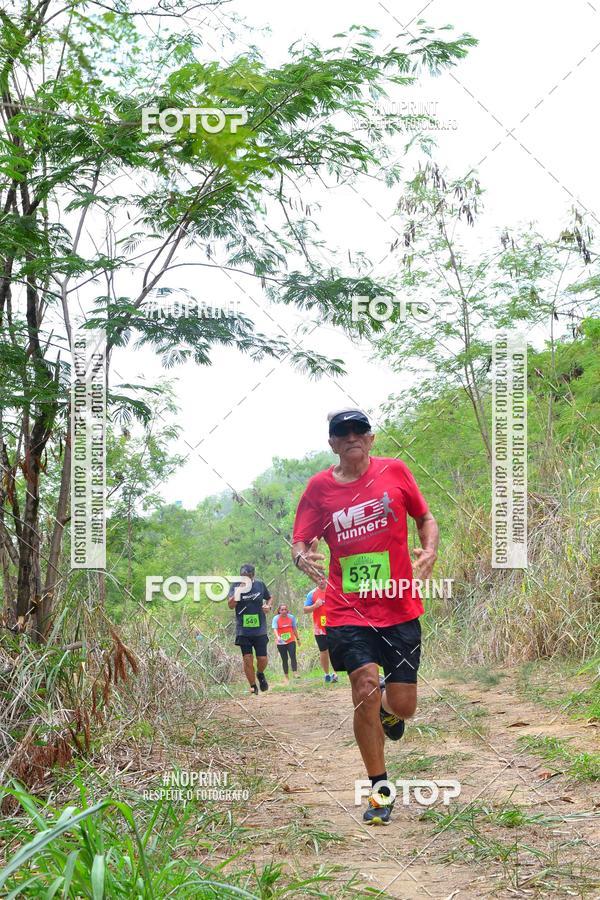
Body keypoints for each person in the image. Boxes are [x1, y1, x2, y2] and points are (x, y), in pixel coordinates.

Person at [291, 408, 438, 825]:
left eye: (360, 430)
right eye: (343, 432)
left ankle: (391, 713)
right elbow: (300, 539)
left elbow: (425, 518)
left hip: (398, 604)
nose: (352, 436)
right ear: (333, 443)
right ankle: (380, 790)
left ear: (371, 439)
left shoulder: (396, 472)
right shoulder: (319, 488)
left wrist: (429, 549)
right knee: (365, 688)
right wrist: (303, 557)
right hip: (346, 608)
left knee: (404, 706)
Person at [227, 563, 272, 695]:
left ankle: (260, 673)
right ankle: (253, 686)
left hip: (260, 629)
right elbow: (230, 605)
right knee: (247, 658)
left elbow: (269, 598)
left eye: (247, 576)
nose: (244, 579)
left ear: (253, 576)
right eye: (242, 576)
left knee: (262, 658)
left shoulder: (260, 585)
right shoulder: (235, 586)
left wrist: (268, 607)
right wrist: (239, 591)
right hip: (243, 629)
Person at [303, 578, 338, 683]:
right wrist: (315, 606)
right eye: (318, 579)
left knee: (335, 650)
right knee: (323, 651)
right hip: (320, 629)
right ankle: (327, 674)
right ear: (316, 581)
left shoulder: (333, 590)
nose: (321, 581)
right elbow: (305, 610)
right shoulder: (312, 594)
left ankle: (336, 673)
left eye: (323, 578)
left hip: (334, 626)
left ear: (326, 579)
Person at [271, 604, 301, 682]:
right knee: (284, 659)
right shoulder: (276, 618)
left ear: (287, 610)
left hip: (291, 640)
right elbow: (275, 629)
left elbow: (294, 628)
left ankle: (295, 673)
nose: (284, 611)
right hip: (281, 642)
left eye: (285, 609)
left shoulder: (291, 617)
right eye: (282, 610)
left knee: (292, 655)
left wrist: (297, 639)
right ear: (279, 611)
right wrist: (278, 637)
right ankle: (286, 676)